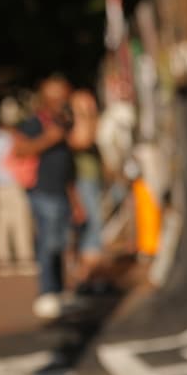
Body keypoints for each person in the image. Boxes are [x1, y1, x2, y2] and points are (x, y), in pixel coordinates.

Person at [13, 75, 83, 320]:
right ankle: (46, 291)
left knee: (61, 242)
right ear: (46, 100)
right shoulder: (34, 123)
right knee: (49, 242)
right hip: (42, 191)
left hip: (61, 191)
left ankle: (59, 290)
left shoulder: (62, 124)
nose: (62, 103)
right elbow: (19, 149)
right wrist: (48, 139)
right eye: (57, 98)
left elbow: (68, 165)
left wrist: (74, 197)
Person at [0, 98, 34, 273]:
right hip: (13, 184)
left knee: (1, 223)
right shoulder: (13, 140)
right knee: (20, 221)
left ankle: (3, 260)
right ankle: (24, 258)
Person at [68, 88, 107, 292]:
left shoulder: (89, 122)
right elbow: (84, 140)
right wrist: (87, 117)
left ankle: (91, 277)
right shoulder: (74, 125)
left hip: (93, 180)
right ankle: (86, 277)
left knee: (95, 226)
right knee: (91, 227)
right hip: (83, 182)